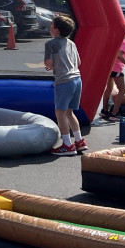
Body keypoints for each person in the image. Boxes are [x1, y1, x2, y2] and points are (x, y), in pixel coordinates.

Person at [44, 15, 87, 156]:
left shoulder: (50, 44)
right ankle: (79, 141)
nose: (50, 27)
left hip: (64, 81)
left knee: (60, 113)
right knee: (70, 112)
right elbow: (79, 62)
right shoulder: (71, 43)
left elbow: (48, 63)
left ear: (56, 30)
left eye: (52, 25)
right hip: (77, 79)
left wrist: (51, 65)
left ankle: (67, 144)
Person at [100, 23, 125, 121]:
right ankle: (114, 113)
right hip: (116, 68)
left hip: (109, 67)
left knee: (109, 88)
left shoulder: (114, 40)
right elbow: (119, 55)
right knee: (122, 89)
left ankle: (104, 110)